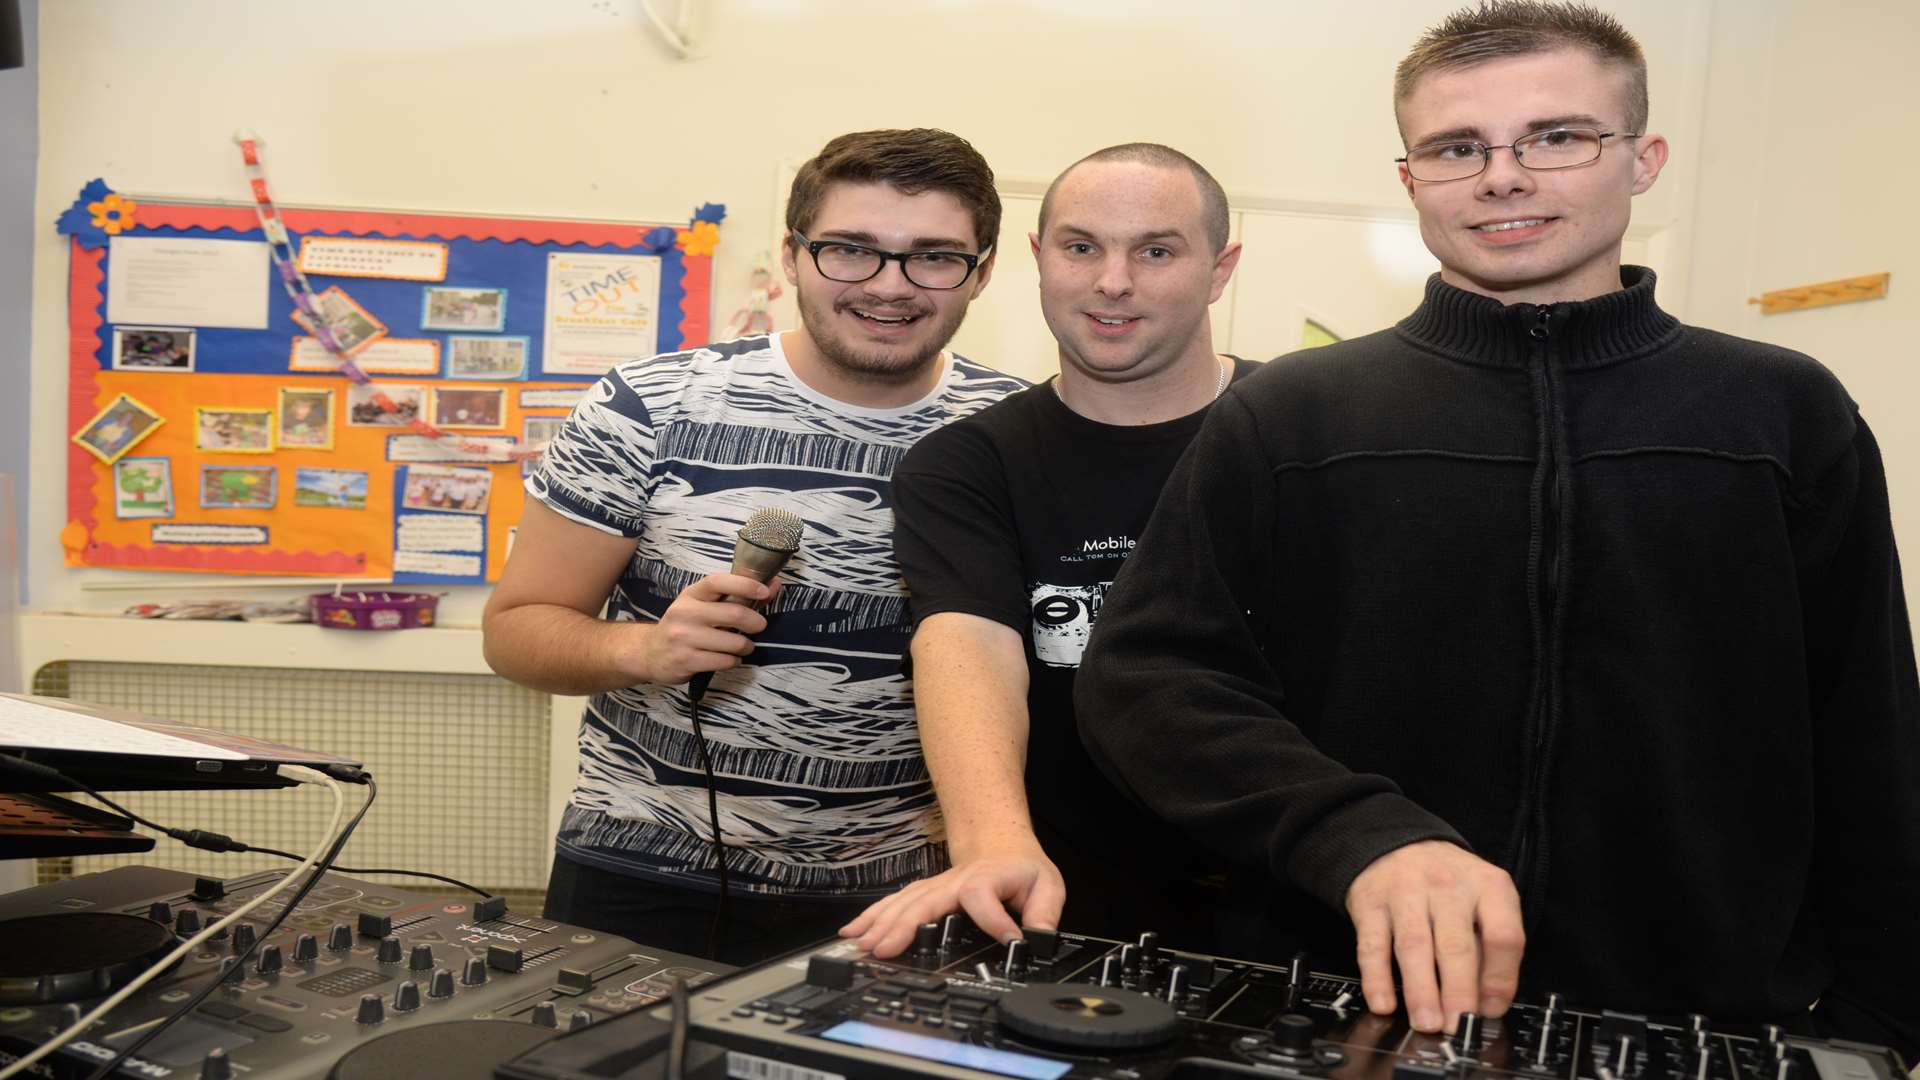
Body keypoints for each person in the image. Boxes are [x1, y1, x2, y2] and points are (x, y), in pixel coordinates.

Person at [1075, 0, 1920, 1057]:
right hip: (1349, 1011)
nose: (1503, 176)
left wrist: (1882, 1024)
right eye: (1457, 146)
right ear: (1410, 177)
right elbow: (1148, 680)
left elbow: (1870, 731)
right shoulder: (1295, 412)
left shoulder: (1782, 411)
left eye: (1558, 137)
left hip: (1705, 1021)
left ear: (1644, 158)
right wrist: (1356, 834)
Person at [483, 128, 1023, 965]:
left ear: (982, 271)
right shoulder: (648, 405)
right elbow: (516, 630)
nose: (890, 286)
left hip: (911, 893)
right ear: (794, 256)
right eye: (851, 251)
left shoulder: (1018, 436)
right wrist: (646, 647)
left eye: (934, 257)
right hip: (641, 872)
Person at [840, 144, 1252, 959]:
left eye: (1157, 251)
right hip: (1059, 908)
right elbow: (967, 640)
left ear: (1220, 267)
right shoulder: (968, 463)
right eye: (1081, 246)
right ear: (1038, 259)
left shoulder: (1299, 430)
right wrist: (991, 841)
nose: (1112, 282)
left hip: (1292, 900)